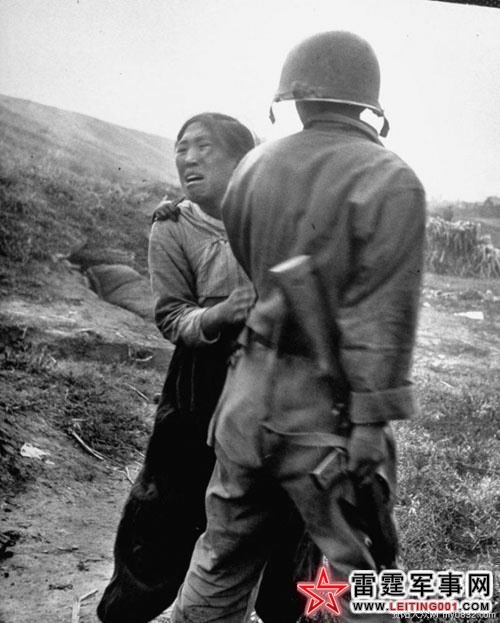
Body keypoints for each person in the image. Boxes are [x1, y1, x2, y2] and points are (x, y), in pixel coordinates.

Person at [169, 31, 427, 623]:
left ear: (294, 97)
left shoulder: (254, 166)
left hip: (244, 399)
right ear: (367, 101)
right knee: (359, 575)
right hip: (325, 410)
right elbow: (383, 315)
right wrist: (370, 424)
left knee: (221, 557)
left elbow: (253, 260)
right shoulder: (390, 178)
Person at [97, 112, 312, 623]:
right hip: (202, 380)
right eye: (181, 148)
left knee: (287, 502)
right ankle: (128, 610)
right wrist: (218, 315)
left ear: (243, 159)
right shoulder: (173, 226)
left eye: (203, 147)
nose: (188, 158)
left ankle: (285, 608)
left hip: (279, 377)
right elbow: (172, 315)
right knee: (170, 499)